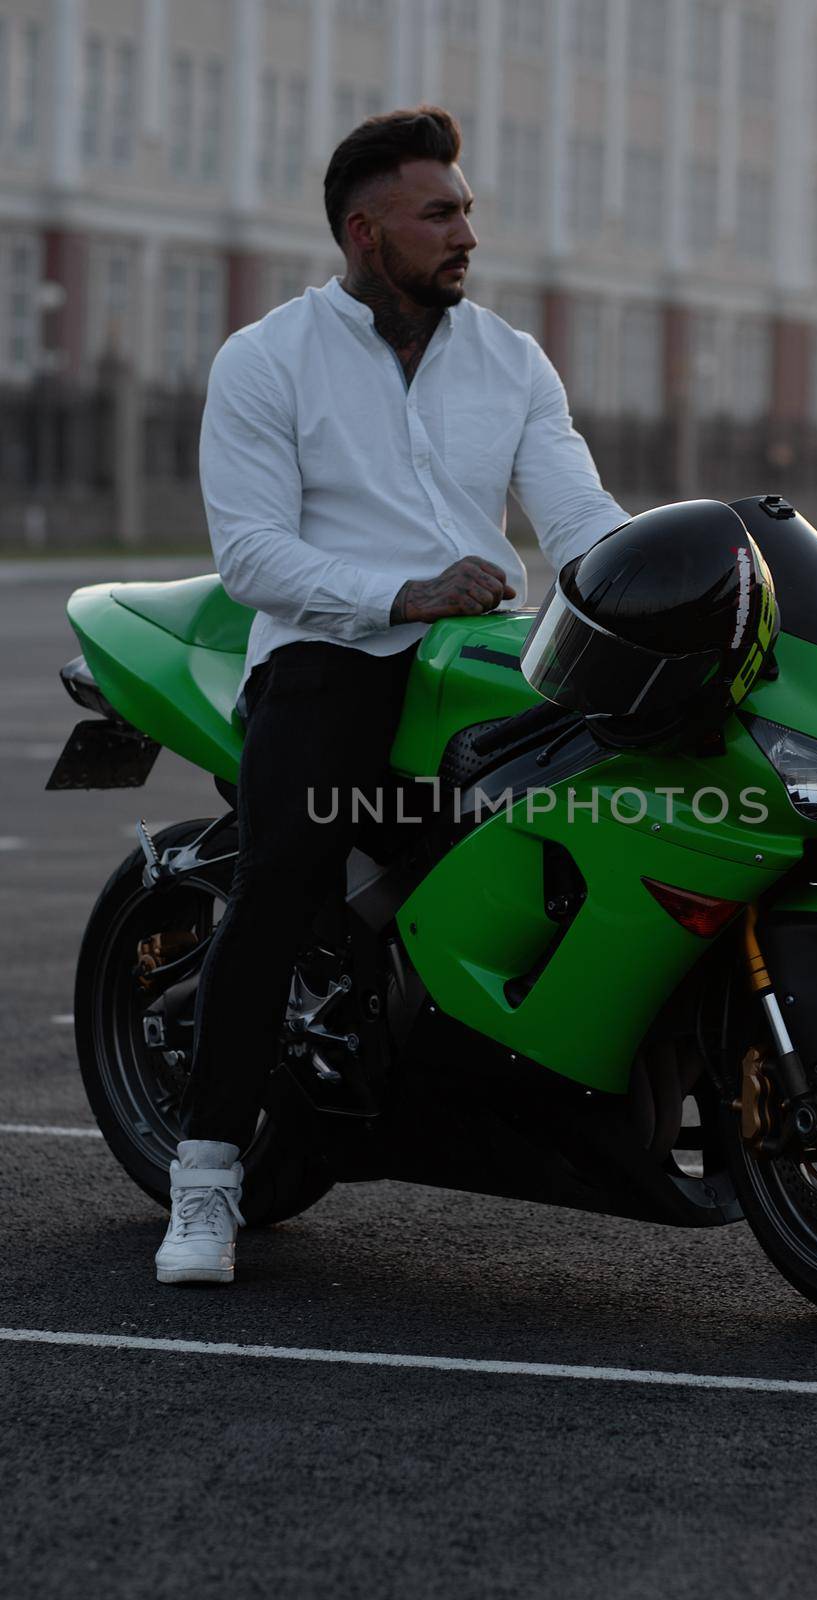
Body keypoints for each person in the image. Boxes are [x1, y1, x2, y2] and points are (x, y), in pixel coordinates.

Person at [155, 105, 630, 1284]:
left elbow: (578, 519)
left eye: (465, 208)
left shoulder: (510, 361)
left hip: (479, 664)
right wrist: (401, 590)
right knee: (281, 882)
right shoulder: (267, 358)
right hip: (329, 655)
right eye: (440, 212)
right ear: (368, 235)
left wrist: (657, 580)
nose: (466, 230)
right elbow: (253, 556)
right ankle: (207, 1178)